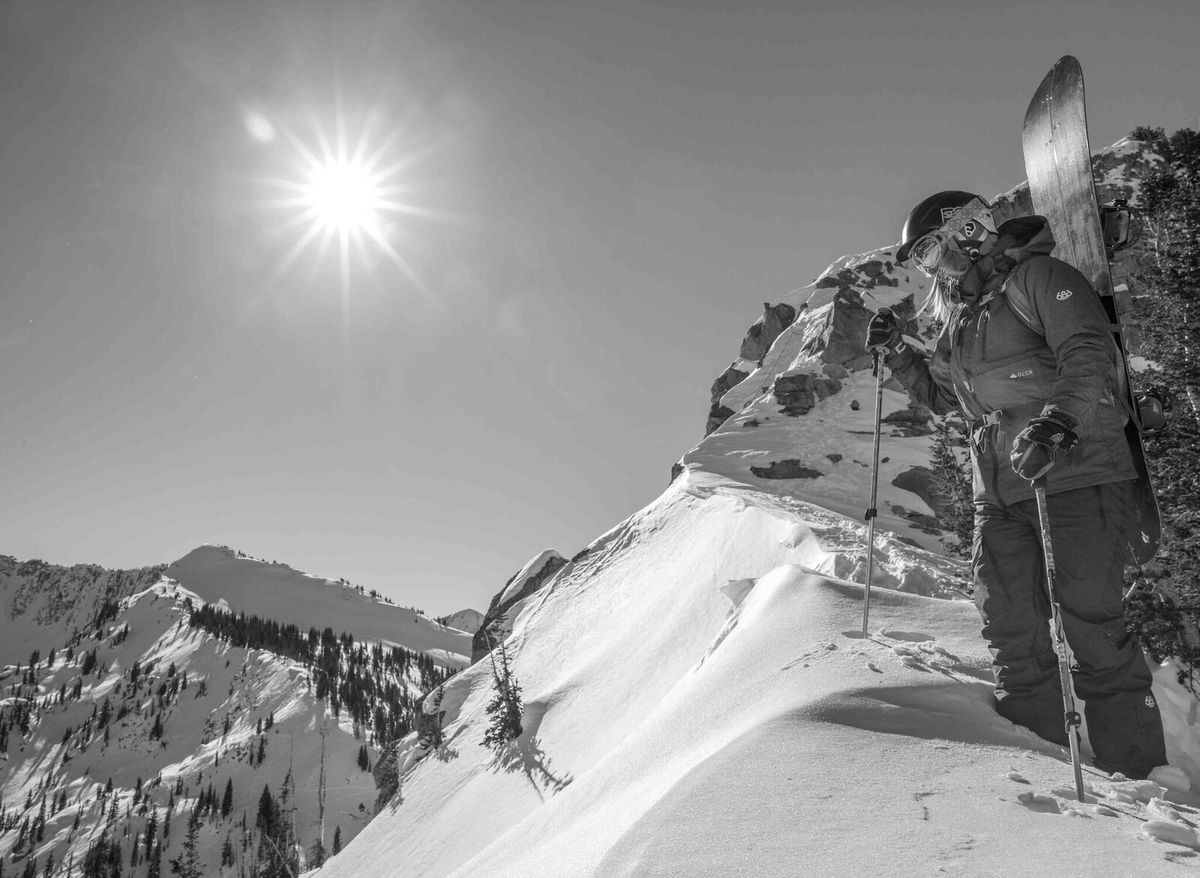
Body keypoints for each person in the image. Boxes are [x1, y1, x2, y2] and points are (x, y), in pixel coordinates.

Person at [867, 190, 1166, 779]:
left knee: (1090, 624)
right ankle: (1041, 765)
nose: (935, 266)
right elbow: (949, 400)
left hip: (1075, 472)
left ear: (970, 231)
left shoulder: (1039, 279)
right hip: (1000, 492)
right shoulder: (962, 318)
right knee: (1010, 627)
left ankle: (1137, 771)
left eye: (935, 249)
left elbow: (1088, 349)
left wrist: (1057, 423)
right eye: (925, 259)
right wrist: (899, 354)